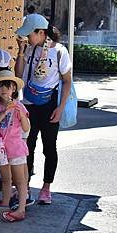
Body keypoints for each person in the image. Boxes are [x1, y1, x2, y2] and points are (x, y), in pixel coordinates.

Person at [14, 13, 72, 205]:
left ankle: (46, 187)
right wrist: (21, 52)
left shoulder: (60, 52)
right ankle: (26, 187)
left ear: (41, 32)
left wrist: (60, 108)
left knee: (49, 147)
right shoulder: (30, 49)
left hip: (49, 105)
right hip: (29, 104)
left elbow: (66, 81)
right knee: (27, 146)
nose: (27, 38)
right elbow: (19, 74)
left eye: (29, 35)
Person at [0, 70, 31, 222]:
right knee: (6, 179)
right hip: (0, 147)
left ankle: (21, 209)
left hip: (16, 148)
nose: (4, 89)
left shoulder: (19, 106)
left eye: (8, 86)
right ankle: (5, 202)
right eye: (0, 86)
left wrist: (21, 113)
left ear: (13, 89)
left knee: (20, 180)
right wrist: (5, 112)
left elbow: (26, 128)